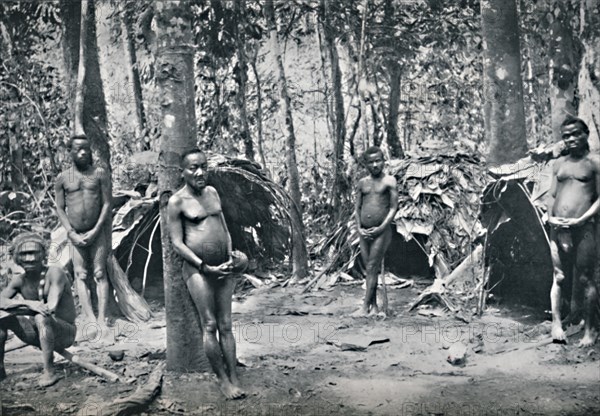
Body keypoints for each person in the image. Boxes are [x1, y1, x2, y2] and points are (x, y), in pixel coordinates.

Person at [167, 149, 248, 399]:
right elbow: (177, 243)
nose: (200, 171)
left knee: (226, 324)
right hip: (197, 271)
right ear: (183, 172)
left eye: (203, 166)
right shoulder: (176, 202)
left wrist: (232, 255)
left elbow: (224, 227)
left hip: (224, 268)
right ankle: (222, 380)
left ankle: (233, 376)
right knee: (210, 324)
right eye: (193, 167)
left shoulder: (212, 193)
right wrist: (204, 265)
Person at [548, 116, 600, 346]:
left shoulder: (594, 163)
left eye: (575, 134)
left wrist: (582, 219)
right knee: (558, 277)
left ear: (586, 134)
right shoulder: (558, 164)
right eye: (566, 135)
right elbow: (551, 196)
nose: (570, 139)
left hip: (584, 229)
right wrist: (549, 217)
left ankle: (590, 330)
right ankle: (556, 325)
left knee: (585, 277)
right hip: (558, 229)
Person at [0, 232, 77, 387]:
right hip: (38, 334)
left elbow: (50, 308)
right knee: (1, 318)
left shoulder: (55, 273)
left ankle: (50, 371)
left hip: (64, 334)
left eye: (34, 253)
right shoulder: (19, 280)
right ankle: (0, 371)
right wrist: (29, 304)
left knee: (41, 317)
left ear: (44, 254)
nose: (30, 258)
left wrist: (20, 307)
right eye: (24, 254)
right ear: (16, 257)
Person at [55, 134, 111, 337]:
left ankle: (102, 320)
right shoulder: (63, 178)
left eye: (86, 149)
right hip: (75, 235)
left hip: (98, 233)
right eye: (78, 149)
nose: (83, 152)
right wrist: (71, 233)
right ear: (70, 151)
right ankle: (90, 320)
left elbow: (106, 203)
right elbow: (60, 208)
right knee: (81, 275)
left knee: (99, 273)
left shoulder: (99, 173)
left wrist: (96, 230)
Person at [354, 146, 398, 317]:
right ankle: (374, 307)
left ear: (383, 160)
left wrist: (381, 227)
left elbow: (394, 207)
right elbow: (357, 208)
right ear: (365, 164)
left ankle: (364, 307)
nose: (375, 165)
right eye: (371, 162)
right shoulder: (362, 183)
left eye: (378, 160)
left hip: (382, 232)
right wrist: (359, 228)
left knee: (372, 266)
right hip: (364, 231)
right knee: (369, 269)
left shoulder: (390, 181)